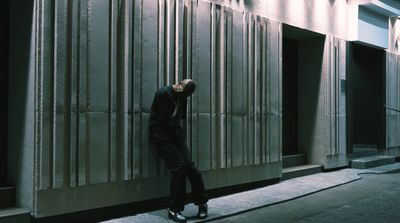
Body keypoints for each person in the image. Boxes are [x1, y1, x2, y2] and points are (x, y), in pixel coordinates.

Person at [149, 79, 208, 223]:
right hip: (161, 134)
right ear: (179, 84)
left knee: (191, 167)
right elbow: (167, 120)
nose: (185, 97)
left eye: (187, 96)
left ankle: (202, 203)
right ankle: (174, 210)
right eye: (184, 93)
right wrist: (180, 101)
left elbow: (179, 118)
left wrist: (182, 100)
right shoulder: (163, 94)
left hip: (175, 133)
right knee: (179, 167)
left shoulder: (183, 96)